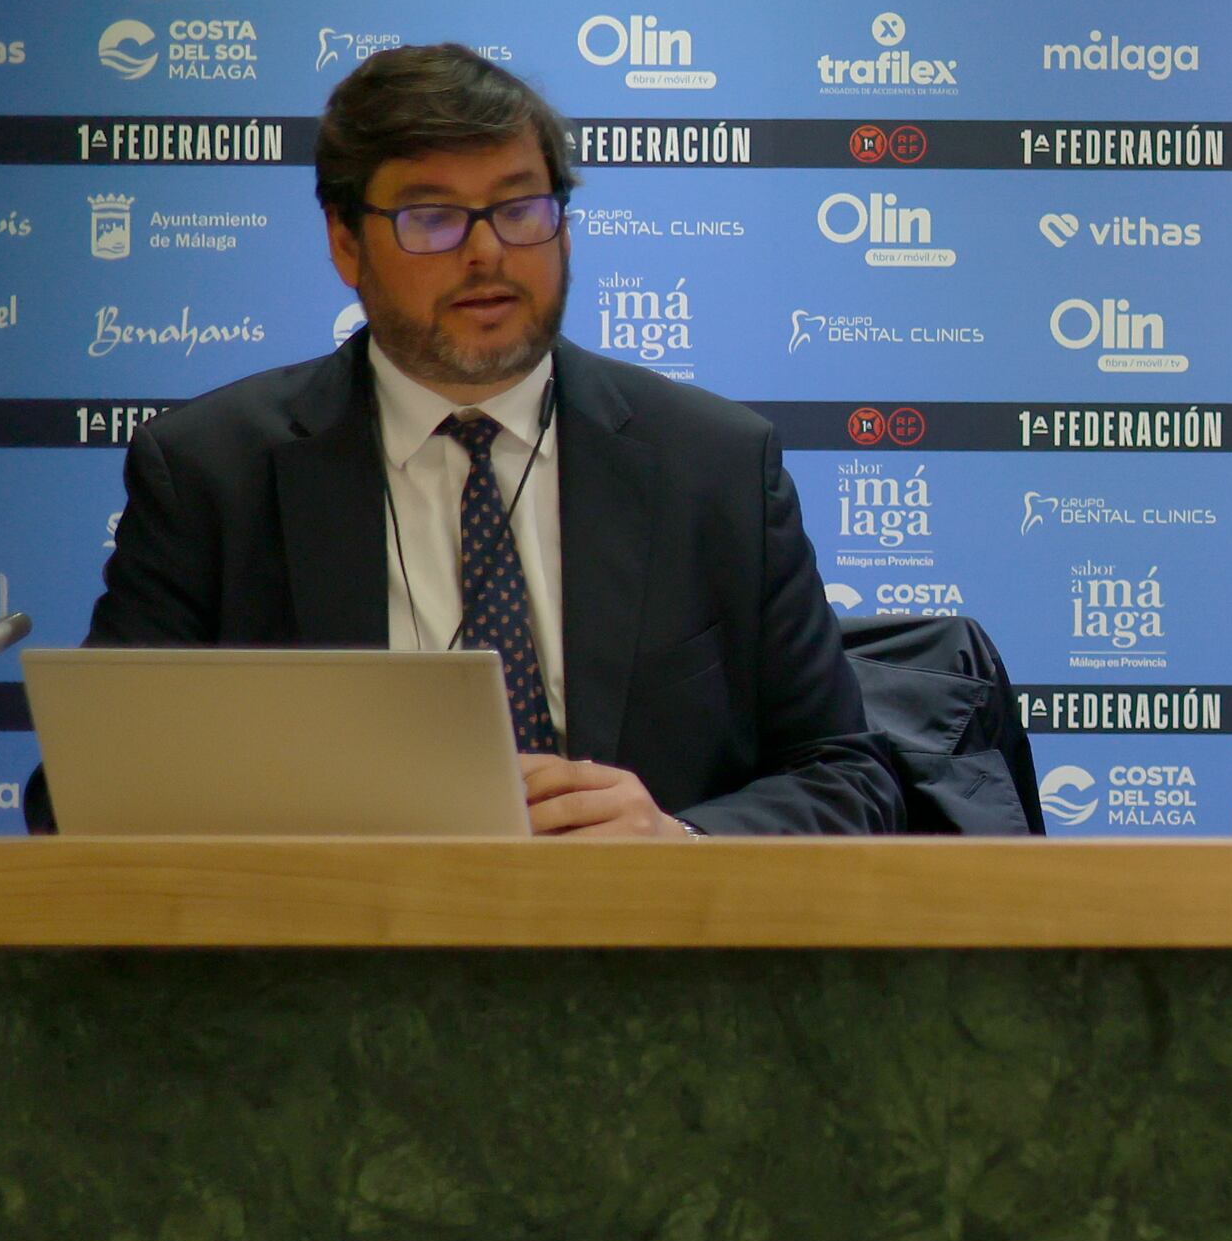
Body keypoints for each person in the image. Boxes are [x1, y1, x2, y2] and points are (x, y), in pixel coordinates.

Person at [61, 42, 896, 835]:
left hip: (641, 959)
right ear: (346, 243)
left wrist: (681, 839)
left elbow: (849, 776)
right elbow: (88, 791)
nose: (488, 252)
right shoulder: (214, 473)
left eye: (520, 208)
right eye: (433, 218)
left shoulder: (711, 465)